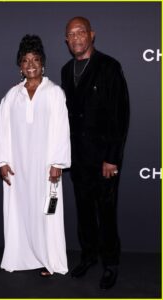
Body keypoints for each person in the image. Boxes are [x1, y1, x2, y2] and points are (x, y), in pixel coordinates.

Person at [0, 34, 71, 276]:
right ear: (20, 66)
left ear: (43, 63)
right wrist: (2, 161)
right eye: (25, 61)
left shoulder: (54, 92)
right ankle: (20, 255)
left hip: (46, 167)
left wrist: (58, 162)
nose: (31, 65)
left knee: (48, 213)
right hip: (18, 167)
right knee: (19, 211)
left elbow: (61, 128)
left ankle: (49, 260)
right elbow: (2, 129)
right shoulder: (11, 96)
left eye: (35, 59)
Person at [61, 16, 129, 289]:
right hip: (78, 159)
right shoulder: (66, 70)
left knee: (107, 214)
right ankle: (88, 256)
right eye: (71, 34)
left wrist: (112, 157)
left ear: (92, 34)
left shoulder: (109, 67)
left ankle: (110, 264)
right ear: (66, 41)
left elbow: (121, 114)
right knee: (84, 213)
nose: (76, 38)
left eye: (80, 32)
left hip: (104, 160)